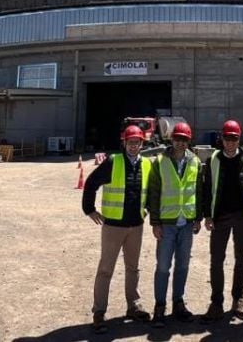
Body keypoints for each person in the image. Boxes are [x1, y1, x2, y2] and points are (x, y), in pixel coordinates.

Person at [81, 124, 154, 334]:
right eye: (130, 142)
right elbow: (91, 183)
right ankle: (99, 312)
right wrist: (89, 209)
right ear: (125, 143)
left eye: (137, 142)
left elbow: (149, 192)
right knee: (106, 269)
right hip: (113, 226)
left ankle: (133, 306)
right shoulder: (113, 162)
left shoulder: (147, 164)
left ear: (142, 143)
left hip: (135, 227)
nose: (133, 146)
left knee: (133, 268)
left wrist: (146, 209)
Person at [199, 119, 243, 322]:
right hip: (220, 217)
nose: (230, 142)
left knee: (241, 259)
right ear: (221, 139)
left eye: (234, 138)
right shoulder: (214, 159)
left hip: (242, 217)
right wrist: (207, 215)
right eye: (227, 138)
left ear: (239, 139)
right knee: (216, 260)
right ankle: (216, 303)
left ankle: (238, 300)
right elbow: (207, 190)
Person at [145, 121, 202, 327]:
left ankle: (178, 303)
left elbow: (199, 192)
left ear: (188, 141)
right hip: (167, 224)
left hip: (186, 223)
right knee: (162, 266)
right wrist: (155, 222)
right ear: (172, 140)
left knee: (183, 265)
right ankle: (159, 306)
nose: (181, 143)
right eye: (178, 139)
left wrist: (198, 218)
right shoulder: (159, 161)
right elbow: (154, 193)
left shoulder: (195, 162)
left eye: (184, 140)